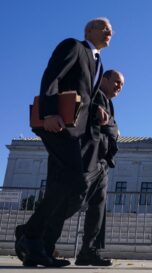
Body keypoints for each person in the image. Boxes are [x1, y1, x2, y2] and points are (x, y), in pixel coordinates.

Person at [15, 18, 113, 267]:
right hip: (57, 124)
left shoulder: (97, 62)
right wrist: (48, 112)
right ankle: (29, 233)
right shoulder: (74, 46)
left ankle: (39, 247)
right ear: (88, 30)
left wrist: (97, 111)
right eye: (104, 27)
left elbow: (83, 95)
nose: (109, 31)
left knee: (62, 184)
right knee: (75, 180)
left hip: (75, 131)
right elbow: (52, 75)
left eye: (111, 30)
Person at [75, 69, 124, 266]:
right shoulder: (94, 95)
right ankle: (31, 231)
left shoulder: (108, 101)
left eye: (122, 85)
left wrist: (112, 127)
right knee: (74, 199)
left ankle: (90, 250)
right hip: (90, 156)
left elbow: (108, 126)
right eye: (117, 82)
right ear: (104, 79)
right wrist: (114, 127)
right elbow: (105, 126)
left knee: (98, 205)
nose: (119, 87)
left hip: (102, 159)